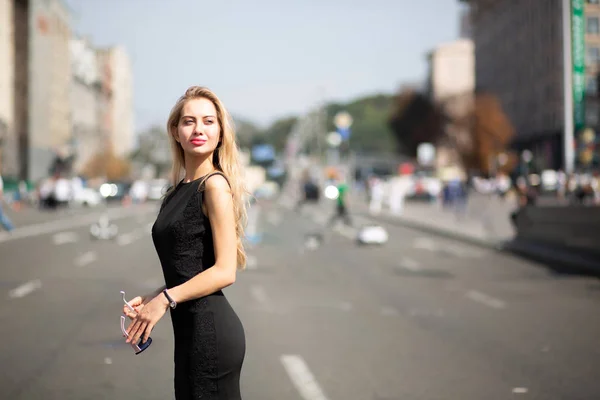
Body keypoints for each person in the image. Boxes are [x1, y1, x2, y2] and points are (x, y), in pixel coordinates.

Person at [123, 86, 247, 399]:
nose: (198, 129)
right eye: (189, 121)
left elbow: (225, 271)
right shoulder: (176, 192)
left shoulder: (215, 186)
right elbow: (187, 266)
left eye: (208, 121)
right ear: (176, 132)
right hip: (189, 333)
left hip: (211, 332)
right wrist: (153, 298)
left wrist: (165, 299)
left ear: (220, 132)